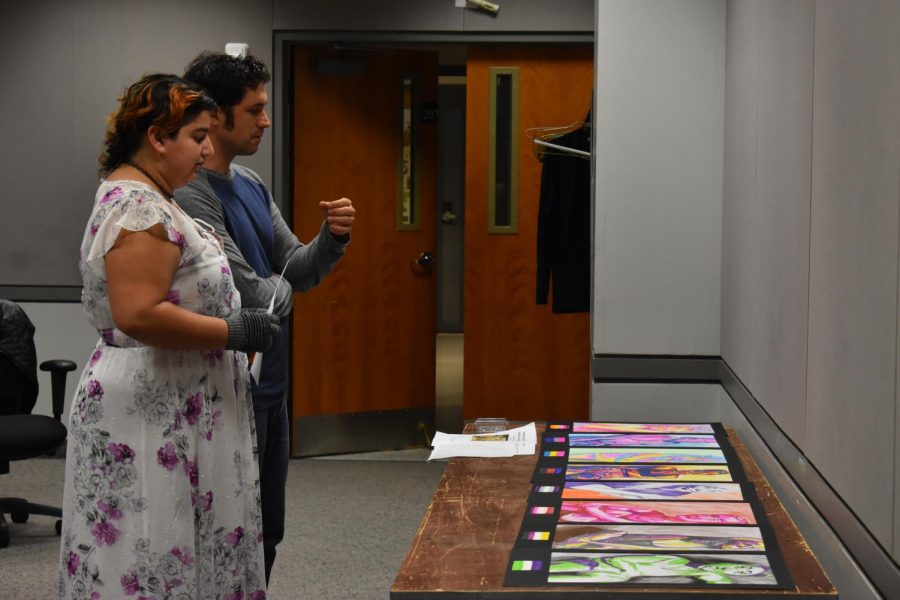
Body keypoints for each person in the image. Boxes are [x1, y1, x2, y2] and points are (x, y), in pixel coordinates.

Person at [58, 74, 279, 599]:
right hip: (152, 407)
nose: (207, 150)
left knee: (189, 544)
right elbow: (137, 313)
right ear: (158, 137)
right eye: (197, 136)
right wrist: (233, 329)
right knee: (152, 546)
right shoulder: (138, 208)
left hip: (182, 397)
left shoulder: (157, 197)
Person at [174, 52, 355, 583]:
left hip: (270, 384)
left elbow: (295, 269)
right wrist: (280, 286)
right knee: (228, 530)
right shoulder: (192, 193)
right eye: (254, 110)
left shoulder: (250, 182)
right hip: (227, 386)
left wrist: (333, 237)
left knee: (267, 531)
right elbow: (250, 296)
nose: (266, 121)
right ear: (216, 114)